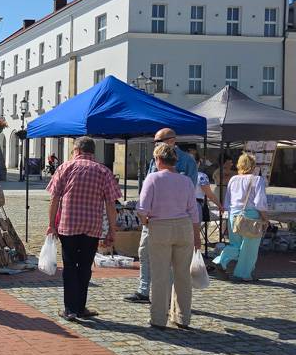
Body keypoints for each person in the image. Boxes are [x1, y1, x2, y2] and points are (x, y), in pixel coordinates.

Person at [46, 137, 121, 321]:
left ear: (77, 150)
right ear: (92, 151)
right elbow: (111, 204)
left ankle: (70, 309)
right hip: (92, 226)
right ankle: (80, 307)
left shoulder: (65, 168)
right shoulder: (103, 171)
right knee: (85, 266)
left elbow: (54, 199)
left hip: (68, 225)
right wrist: (112, 230)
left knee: (70, 266)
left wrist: (51, 224)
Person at [125, 128, 197, 304]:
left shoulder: (187, 161)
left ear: (172, 140)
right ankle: (144, 290)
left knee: (170, 261)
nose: (155, 144)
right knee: (144, 253)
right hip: (152, 219)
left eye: (158, 141)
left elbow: (191, 190)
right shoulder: (155, 158)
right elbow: (148, 185)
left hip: (172, 220)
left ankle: (167, 297)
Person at [137, 144, 201, 330]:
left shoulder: (153, 178)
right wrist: (197, 236)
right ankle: (183, 317)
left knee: (160, 275)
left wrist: (146, 222)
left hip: (160, 226)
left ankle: (158, 318)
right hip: (184, 227)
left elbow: (142, 209)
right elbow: (193, 211)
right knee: (183, 275)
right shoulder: (186, 181)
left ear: (158, 159)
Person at [212, 153, 268, 282]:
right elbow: (260, 203)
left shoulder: (233, 179)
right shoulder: (257, 180)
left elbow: (228, 200)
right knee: (250, 248)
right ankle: (243, 274)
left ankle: (220, 260)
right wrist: (265, 218)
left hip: (234, 215)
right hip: (251, 216)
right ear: (253, 166)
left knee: (236, 245)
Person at [193, 153, 222, 226]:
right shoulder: (201, 176)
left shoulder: (180, 175)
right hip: (195, 205)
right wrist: (219, 205)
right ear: (198, 163)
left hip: (180, 206)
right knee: (195, 230)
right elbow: (210, 195)